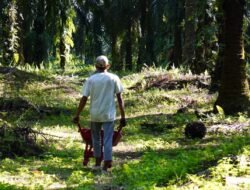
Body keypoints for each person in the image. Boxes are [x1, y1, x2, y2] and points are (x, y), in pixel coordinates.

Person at [73, 55, 126, 171]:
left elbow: (84, 98)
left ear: (95, 66)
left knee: (96, 138)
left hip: (95, 114)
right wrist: (123, 116)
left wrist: (77, 114)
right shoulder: (114, 78)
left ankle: (97, 163)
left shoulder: (91, 80)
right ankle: (106, 165)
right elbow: (120, 98)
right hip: (108, 114)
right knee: (107, 138)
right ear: (108, 66)